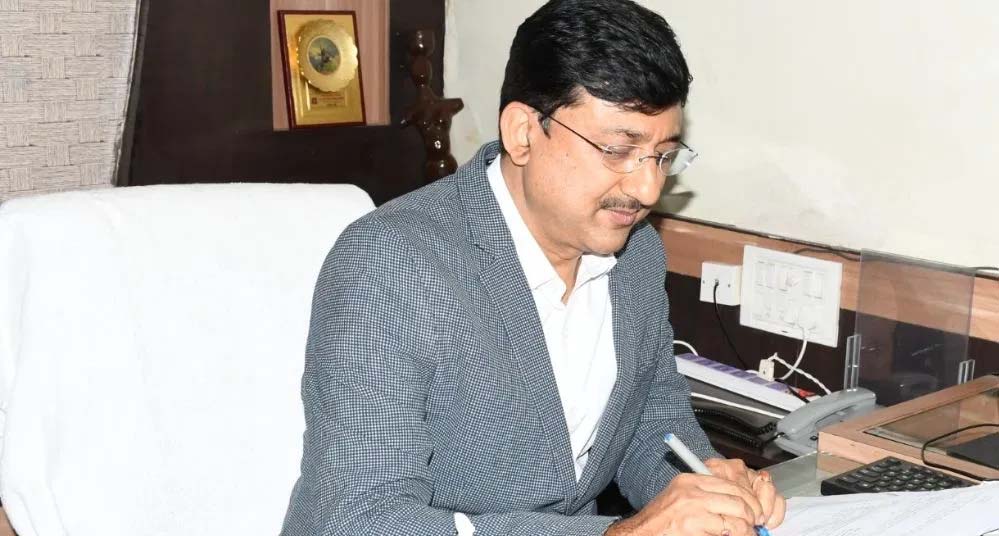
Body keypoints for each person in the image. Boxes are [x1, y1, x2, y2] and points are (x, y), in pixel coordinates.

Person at [281, 1, 786, 534]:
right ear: (523, 132)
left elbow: (650, 420)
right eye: (618, 150)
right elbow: (358, 519)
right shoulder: (392, 263)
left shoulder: (636, 253)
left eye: (663, 155)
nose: (646, 189)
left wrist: (706, 486)